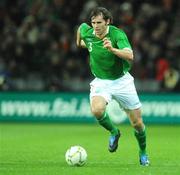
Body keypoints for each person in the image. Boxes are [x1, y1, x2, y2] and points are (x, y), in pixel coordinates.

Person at [76, 7, 150, 166]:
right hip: (101, 82)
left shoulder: (117, 34)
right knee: (96, 110)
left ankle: (143, 152)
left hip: (122, 81)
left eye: (99, 23)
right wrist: (81, 43)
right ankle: (114, 132)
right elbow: (81, 32)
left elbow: (130, 55)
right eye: (93, 22)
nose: (96, 26)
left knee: (137, 123)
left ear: (108, 21)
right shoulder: (87, 31)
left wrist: (112, 49)